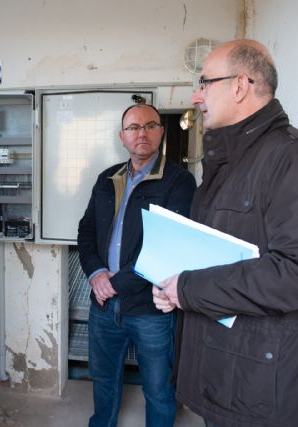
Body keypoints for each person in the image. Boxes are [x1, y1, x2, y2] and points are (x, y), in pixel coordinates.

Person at [152, 39, 298, 427]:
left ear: (240, 85)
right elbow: (220, 257)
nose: (196, 96)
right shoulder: (231, 162)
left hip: (271, 396)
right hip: (234, 380)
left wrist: (190, 288)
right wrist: (177, 287)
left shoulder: (295, 158)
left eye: (205, 83)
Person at [77, 103, 196, 427]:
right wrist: (97, 274)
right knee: (103, 381)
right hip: (103, 306)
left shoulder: (179, 181)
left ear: (161, 131)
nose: (141, 133)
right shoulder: (106, 178)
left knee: (158, 389)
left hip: (150, 309)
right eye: (133, 127)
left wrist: (114, 284)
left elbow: (166, 247)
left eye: (149, 126)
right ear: (122, 136)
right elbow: (86, 231)